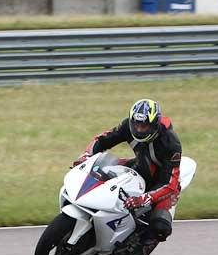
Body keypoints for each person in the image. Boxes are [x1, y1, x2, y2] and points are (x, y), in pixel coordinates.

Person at [73, 99, 182, 244]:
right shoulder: (127, 126)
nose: (139, 129)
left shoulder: (170, 142)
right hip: (140, 166)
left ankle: (137, 243)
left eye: (144, 126)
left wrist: (145, 198)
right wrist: (86, 155)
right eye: (136, 124)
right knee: (102, 172)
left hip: (161, 182)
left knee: (160, 228)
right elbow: (104, 139)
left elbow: (170, 183)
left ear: (154, 124)